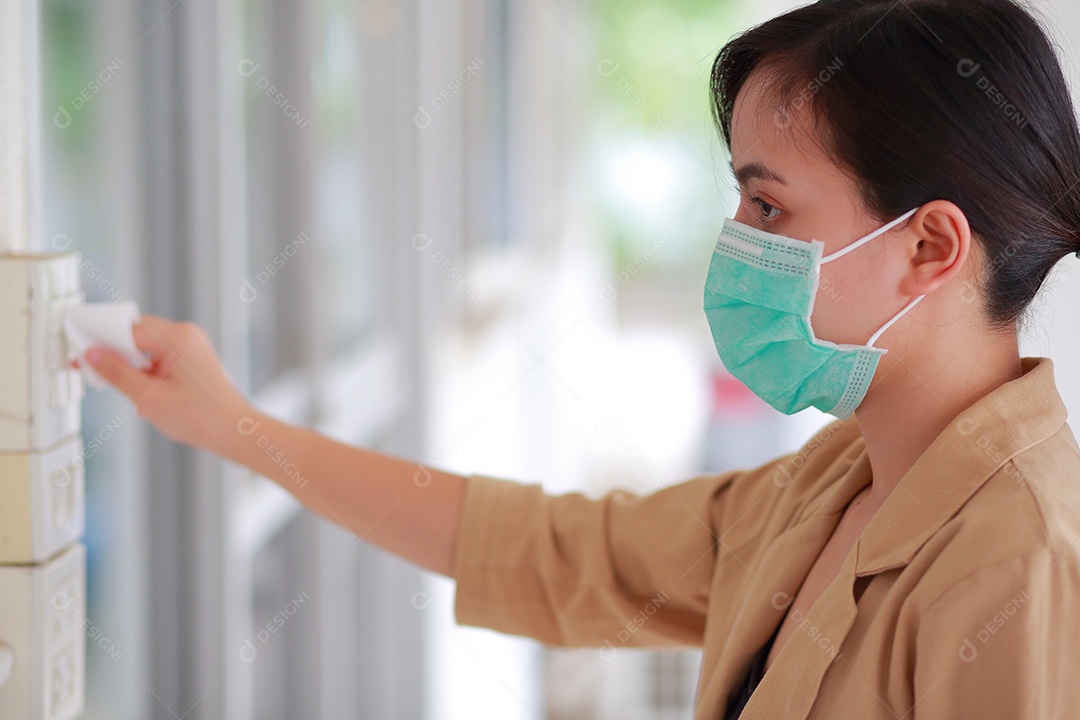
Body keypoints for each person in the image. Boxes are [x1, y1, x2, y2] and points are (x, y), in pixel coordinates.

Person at [81, 0, 1080, 717]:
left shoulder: (1022, 563)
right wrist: (235, 426)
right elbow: (553, 552)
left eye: (769, 206)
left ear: (929, 246)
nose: (736, 241)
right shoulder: (838, 482)